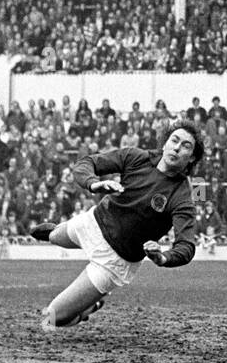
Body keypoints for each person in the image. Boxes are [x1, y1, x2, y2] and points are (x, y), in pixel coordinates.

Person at [32, 124, 202, 328]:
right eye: (174, 140)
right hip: (93, 223)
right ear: (165, 142)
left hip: (114, 260)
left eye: (185, 146)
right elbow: (86, 163)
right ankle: (55, 231)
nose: (176, 148)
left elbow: (186, 247)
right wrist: (93, 184)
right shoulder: (136, 157)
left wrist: (163, 257)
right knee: (51, 236)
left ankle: (85, 310)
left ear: (191, 158)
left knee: (51, 317)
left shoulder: (182, 196)